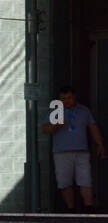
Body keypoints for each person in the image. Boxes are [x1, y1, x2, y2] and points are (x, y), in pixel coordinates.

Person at [42, 84, 106, 212]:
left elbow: (92, 127)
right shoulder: (55, 111)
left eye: (69, 98)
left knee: (86, 180)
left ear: (74, 97)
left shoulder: (84, 110)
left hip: (81, 151)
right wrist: (56, 126)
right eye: (63, 99)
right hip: (61, 152)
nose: (66, 101)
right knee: (65, 182)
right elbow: (44, 129)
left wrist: (100, 144)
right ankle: (70, 209)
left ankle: (89, 207)